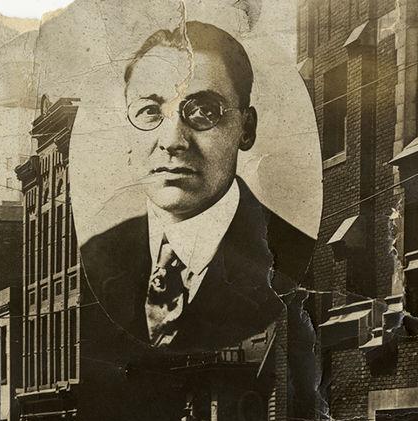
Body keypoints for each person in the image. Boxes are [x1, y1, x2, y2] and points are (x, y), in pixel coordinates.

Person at [80, 20, 313, 353]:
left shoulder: (292, 257)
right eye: (150, 111)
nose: (173, 141)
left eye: (204, 111)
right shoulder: (97, 257)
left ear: (246, 129)